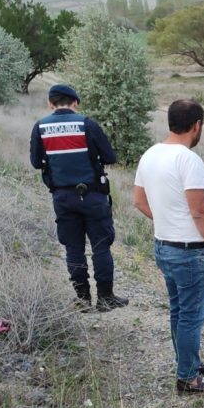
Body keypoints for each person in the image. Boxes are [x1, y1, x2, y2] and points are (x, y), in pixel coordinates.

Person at [133, 100, 204, 394]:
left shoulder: (150, 154)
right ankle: (187, 377)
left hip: (164, 247)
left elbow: (138, 200)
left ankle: (189, 363)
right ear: (197, 125)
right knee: (191, 316)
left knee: (179, 312)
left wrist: (166, 221)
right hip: (190, 253)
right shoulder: (189, 160)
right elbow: (199, 211)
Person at [29, 84, 128, 312]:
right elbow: (110, 157)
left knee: (73, 247)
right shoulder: (87, 124)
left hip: (62, 196)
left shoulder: (40, 127)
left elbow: (36, 163)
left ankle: (82, 300)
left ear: (50, 104)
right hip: (93, 195)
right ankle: (105, 298)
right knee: (101, 246)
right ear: (75, 103)